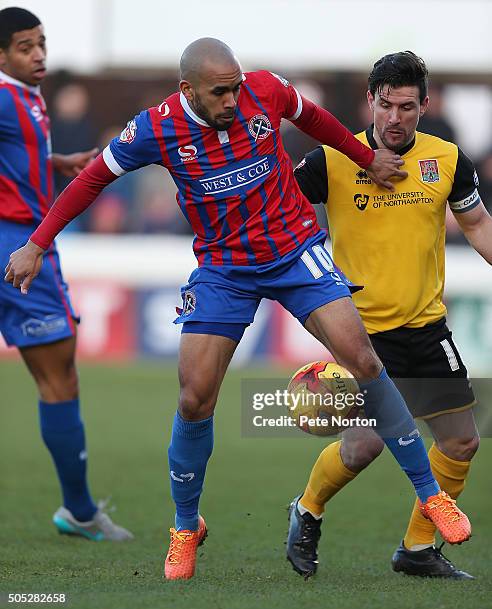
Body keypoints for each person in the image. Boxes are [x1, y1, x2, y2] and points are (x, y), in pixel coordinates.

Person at [5, 38, 471, 580]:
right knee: (194, 396)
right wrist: (37, 243)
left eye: (236, 86)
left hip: (296, 250)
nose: (233, 99)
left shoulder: (264, 91)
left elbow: (318, 120)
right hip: (224, 269)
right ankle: (185, 527)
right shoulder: (154, 129)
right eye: (220, 92)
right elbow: (91, 179)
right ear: (188, 91)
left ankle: (430, 494)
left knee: (364, 359)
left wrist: (367, 158)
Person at [288, 51, 492, 579]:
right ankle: (307, 508)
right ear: (370, 103)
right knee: (363, 446)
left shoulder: (446, 159)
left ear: (424, 105)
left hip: (427, 328)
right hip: (360, 332)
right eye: (385, 105)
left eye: (406, 106)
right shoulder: (332, 158)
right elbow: (277, 213)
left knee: (462, 440)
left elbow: (478, 228)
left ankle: (417, 550)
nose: (395, 118)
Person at [0, 7, 132, 541]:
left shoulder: (24, 97)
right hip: (21, 244)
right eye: (26, 47)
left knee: (57, 374)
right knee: (59, 379)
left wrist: (55, 161)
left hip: (20, 235)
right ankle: (78, 511)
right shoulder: (5, 96)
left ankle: (78, 508)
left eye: (42, 44)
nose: (39, 55)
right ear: (2, 53)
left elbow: (16, 153)